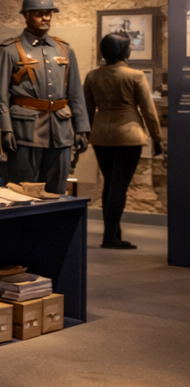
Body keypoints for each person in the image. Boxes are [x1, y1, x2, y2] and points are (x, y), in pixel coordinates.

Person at [0, 0, 90, 194]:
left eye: (48, 13)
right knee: (23, 191)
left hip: (60, 131)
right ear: (26, 16)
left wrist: (81, 128)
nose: (45, 18)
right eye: (39, 13)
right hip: (25, 131)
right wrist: (5, 129)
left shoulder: (64, 50)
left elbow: (75, 92)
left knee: (57, 192)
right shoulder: (9, 50)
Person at [85, 32, 161, 249]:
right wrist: (157, 137)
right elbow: (148, 111)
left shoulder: (92, 76)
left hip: (100, 134)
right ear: (124, 51)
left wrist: (85, 134)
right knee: (119, 186)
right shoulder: (135, 75)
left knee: (110, 183)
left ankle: (113, 233)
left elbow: (87, 110)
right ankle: (110, 237)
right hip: (129, 134)